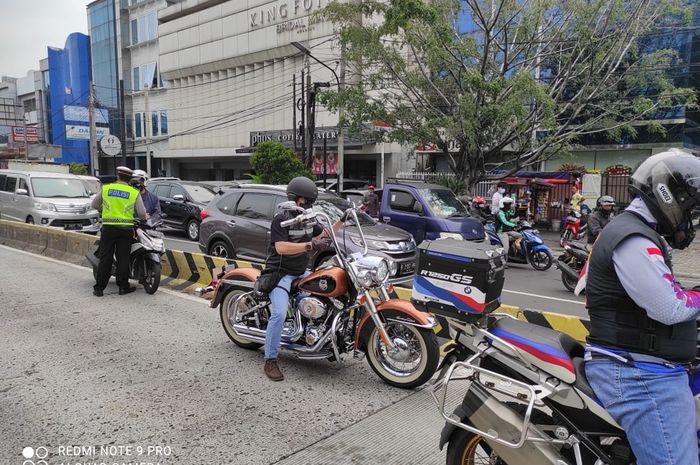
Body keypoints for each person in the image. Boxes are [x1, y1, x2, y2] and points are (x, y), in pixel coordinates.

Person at [584, 150, 700, 465]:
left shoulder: (636, 230)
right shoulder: (635, 239)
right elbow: (670, 307)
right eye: (690, 208)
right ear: (668, 195)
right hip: (640, 375)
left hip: (644, 365)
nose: (690, 219)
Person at [263, 176, 345, 381]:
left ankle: (322, 339)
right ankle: (270, 360)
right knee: (280, 314)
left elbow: (324, 233)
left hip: (301, 272)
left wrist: (342, 220)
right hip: (279, 274)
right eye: (305, 201)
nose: (308, 205)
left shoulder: (308, 219)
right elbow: (281, 248)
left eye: (311, 202)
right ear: (295, 199)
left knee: (328, 297)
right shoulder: (281, 219)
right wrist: (310, 245)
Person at [92, 166, 149, 297]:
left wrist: (104, 211)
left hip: (108, 228)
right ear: (129, 179)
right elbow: (141, 213)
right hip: (125, 229)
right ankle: (123, 287)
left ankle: (99, 289)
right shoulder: (134, 192)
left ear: (118, 176)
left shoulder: (107, 188)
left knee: (105, 257)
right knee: (123, 258)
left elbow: (94, 205)